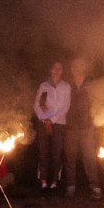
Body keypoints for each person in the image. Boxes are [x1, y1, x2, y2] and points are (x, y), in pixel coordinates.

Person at [32, 61, 72, 196]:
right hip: (43, 123)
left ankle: (54, 182)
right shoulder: (44, 86)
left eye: (59, 69)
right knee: (43, 152)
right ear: (50, 70)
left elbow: (65, 107)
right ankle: (43, 182)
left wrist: (52, 120)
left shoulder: (66, 87)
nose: (56, 70)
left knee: (56, 153)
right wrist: (44, 120)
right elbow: (37, 105)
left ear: (62, 71)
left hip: (59, 123)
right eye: (54, 68)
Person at [68, 57, 102, 198]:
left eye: (81, 65)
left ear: (84, 68)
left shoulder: (90, 84)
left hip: (87, 126)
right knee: (70, 157)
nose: (77, 68)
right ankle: (70, 186)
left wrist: (94, 119)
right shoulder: (67, 85)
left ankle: (94, 187)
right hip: (70, 126)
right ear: (71, 69)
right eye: (75, 66)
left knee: (89, 158)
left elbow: (98, 102)